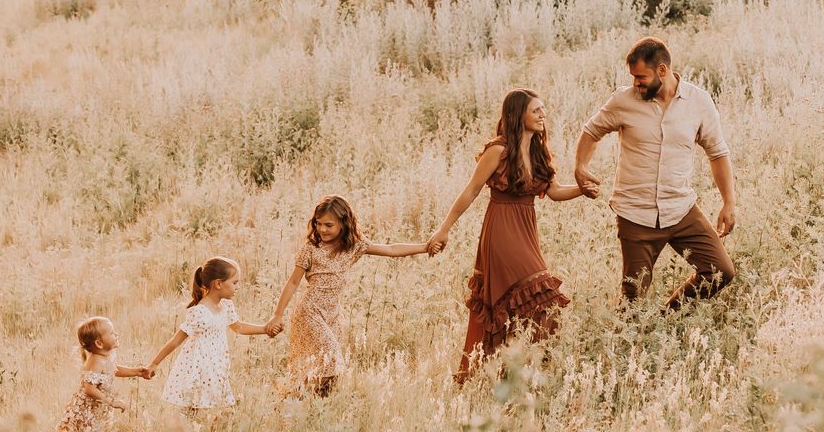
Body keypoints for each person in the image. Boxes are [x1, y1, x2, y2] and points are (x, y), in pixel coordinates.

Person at [427, 89, 586, 381]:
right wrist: (444, 229)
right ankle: (509, 370)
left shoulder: (538, 150)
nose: (543, 115)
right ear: (517, 115)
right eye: (536, 110)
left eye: (543, 109)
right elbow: (471, 191)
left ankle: (513, 372)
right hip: (500, 232)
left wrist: (583, 190)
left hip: (526, 231)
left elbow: (554, 192)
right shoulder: (498, 151)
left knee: (530, 303)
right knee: (541, 295)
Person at [572, 36, 738, 309]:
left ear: (662, 70)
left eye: (641, 76)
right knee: (633, 301)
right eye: (633, 77)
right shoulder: (623, 101)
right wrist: (580, 167)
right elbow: (591, 132)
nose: (636, 82)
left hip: (681, 209)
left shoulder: (698, 102)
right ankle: (632, 341)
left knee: (720, 271)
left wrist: (728, 201)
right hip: (635, 214)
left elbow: (718, 153)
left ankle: (666, 319)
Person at [263, 195, 430, 397]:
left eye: (328, 225)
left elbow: (391, 249)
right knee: (331, 360)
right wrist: (277, 314)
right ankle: (293, 401)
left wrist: (425, 246)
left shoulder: (353, 247)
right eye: (318, 224)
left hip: (332, 316)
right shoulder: (311, 249)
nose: (322, 229)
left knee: (321, 370)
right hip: (310, 313)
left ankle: (305, 406)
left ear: (344, 223)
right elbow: (292, 282)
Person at [147, 257, 278, 413]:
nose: (238, 287)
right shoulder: (199, 312)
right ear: (218, 284)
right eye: (235, 282)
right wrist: (154, 363)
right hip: (199, 368)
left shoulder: (226, 306)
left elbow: (239, 327)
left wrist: (265, 329)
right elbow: (176, 341)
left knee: (221, 410)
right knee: (196, 408)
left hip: (217, 366)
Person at [51, 315, 153, 432]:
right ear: (99, 343)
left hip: (98, 408)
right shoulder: (96, 360)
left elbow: (113, 369)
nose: (116, 334)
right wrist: (112, 402)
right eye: (111, 333)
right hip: (87, 410)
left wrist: (136, 371)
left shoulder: (107, 356)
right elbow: (89, 389)